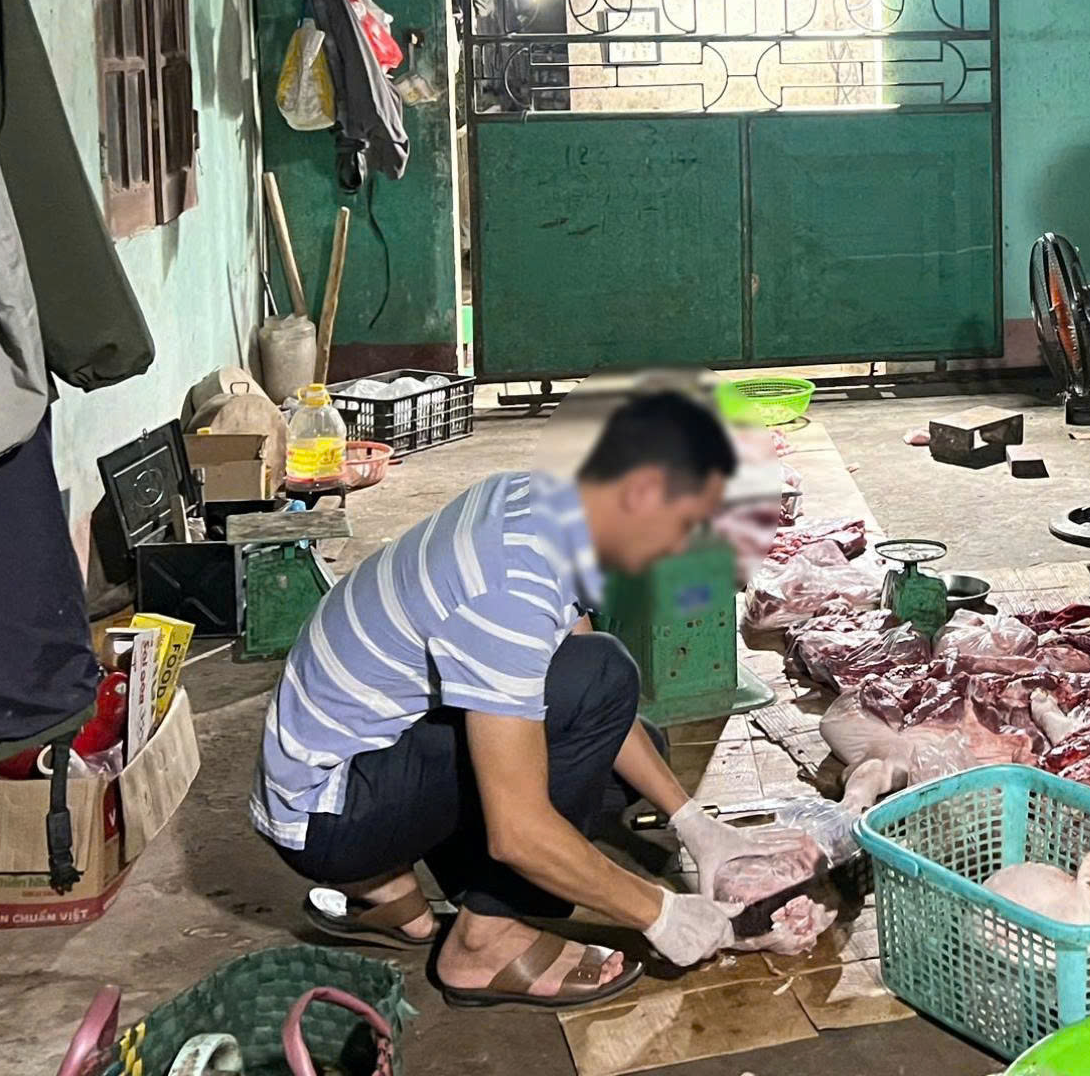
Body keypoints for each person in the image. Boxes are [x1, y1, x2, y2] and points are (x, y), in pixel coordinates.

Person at [252, 391, 776, 1007]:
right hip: (326, 812)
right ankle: (483, 942)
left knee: (625, 745)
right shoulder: (512, 589)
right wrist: (658, 913)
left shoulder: (545, 506)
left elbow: (580, 686)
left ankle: (390, 892)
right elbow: (518, 832)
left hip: (344, 762)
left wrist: (693, 823)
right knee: (604, 678)